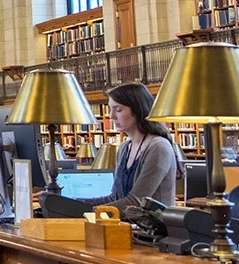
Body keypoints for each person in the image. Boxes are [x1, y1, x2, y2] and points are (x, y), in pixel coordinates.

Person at [57, 82, 181, 211]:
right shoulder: (124, 148)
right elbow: (114, 198)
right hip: (126, 226)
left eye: (118, 110)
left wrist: (83, 211)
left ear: (138, 110)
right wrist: (66, 202)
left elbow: (135, 202)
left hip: (154, 230)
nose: (111, 116)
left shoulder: (158, 147)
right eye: (110, 109)